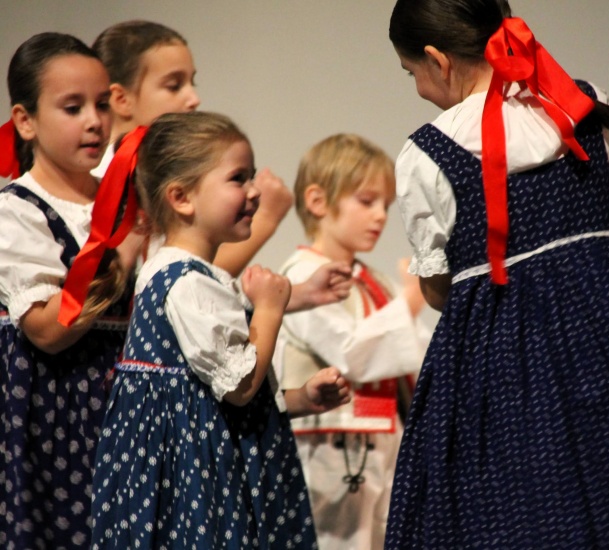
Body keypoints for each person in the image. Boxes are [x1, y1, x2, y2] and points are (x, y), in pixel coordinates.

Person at [385, 0, 609, 547]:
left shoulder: (426, 154)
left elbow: (441, 289)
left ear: (437, 60)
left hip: (502, 358)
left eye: (411, 73)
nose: (418, 87)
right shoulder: (580, 102)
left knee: (515, 505)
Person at [89, 111, 351, 549]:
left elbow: (204, 399)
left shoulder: (182, 274)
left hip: (193, 469)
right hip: (196, 483)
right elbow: (240, 386)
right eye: (237, 178)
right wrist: (269, 308)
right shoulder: (187, 284)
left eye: (251, 176)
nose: (254, 191)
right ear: (181, 197)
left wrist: (300, 398)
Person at [0, 32, 142, 548]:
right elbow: (47, 329)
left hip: (129, 407)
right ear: (25, 121)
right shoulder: (18, 211)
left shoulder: (127, 200)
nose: (94, 121)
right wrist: (122, 253)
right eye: (72, 107)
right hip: (61, 417)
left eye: (102, 104)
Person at [273, 133, 428, 550]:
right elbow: (351, 352)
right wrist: (411, 302)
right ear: (318, 201)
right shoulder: (302, 275)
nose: (380, 216)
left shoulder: (375, 281)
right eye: (367, 201)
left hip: (382, 440)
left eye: (386, 206)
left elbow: (414, 353)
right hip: (330, 446)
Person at [92, 19, 292, 276]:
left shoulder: (165, 171)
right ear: (121, 99)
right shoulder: (101, 186)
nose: (194, 99)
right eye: (174, 86)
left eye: (192, 83)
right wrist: (266, 219)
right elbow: (184, 278)